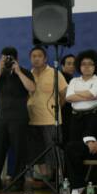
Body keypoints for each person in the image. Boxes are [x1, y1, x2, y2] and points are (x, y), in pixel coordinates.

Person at [0, 46, 35, 190]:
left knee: (19, 150)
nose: (6, 61)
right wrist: (0, 70)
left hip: (19, 118)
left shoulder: (24, 72)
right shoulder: (1, 74)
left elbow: (32, 88)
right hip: (1, 118)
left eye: (9, 58)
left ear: (16, 59)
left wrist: (18, 72)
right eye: (3, 58)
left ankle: (18, 181)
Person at [27, 45, 68, 182]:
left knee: (54, 151)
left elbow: (64, 95)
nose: (36, 59)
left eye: (39, 56)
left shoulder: (55, 73)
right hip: (32, 119)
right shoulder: (28, 75)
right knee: (36, 152)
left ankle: (59, 178)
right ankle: (44, 178)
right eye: (33, 56)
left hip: (51, 119)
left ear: (45, 58)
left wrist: (56, 109)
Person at [65, 50, 97, 144]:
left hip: (93, 116)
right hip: (76, 117)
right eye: (83, 64)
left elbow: (91, 94)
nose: (87, 67)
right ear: (79, 66)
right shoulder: (74, 80)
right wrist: (88, 95)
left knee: (91, 144)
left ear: (95, 66)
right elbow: (68, 98)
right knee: (74, 144)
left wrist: (76, 93)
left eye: (90, 64)